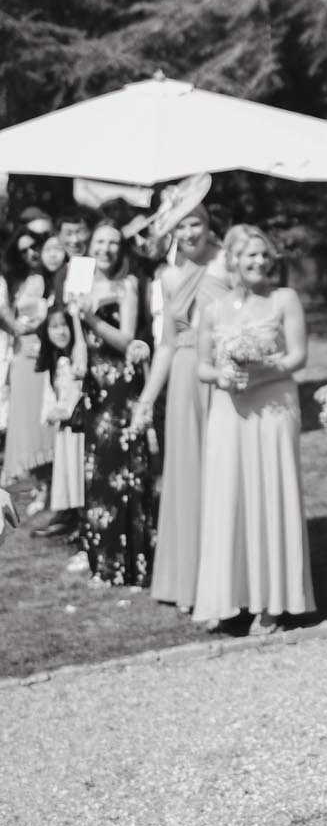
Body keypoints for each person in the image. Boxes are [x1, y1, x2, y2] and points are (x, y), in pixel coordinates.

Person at [192, 225, 315, 631]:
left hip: (274, 407)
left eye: (265, 255)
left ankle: (272, 602)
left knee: (269, 492)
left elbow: (298, 357)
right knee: (228, 496)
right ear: (232, 261)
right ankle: (226, 597)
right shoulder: (213, 309)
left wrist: (260, 373)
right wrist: (223, 378)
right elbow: (202, 365)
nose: (260, 262)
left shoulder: (284, 299)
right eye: (250, 256)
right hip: (229, 411)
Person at [136, 201, 233, 611]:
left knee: (221, 474)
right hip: (181, 379)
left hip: (222, 375)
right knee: (185, 477)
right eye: (183, 225)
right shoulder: (169, 275)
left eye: (198, 223)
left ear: (209, 224)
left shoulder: (227, 263)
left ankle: (224, 578)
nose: (191, 232)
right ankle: (188, 581)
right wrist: (145, 401)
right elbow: (166, 345)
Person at [71, 219, 154, 587]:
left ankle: (126, 563)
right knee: (97, 472)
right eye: (100, 241)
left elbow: (129, 343)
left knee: (122, 470)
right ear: (91, 244)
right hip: (94, 386)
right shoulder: (79, 278)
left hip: (120, 383)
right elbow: (77, 338)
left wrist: (91, 318)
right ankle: (99, 561)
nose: (105, 248)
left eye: (113, 243)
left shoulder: (128, 284)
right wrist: (78, 341)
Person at [0, 228, 53, 504]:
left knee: (43, 421)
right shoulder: (15, 281)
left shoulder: (50, 276)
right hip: (23, 354)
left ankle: (47, 486)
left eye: (34, 246)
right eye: (23, 250)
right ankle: (37, 484)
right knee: (25, 420)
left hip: (44, 350)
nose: (31, 253)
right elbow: (10, 320)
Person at [37, 300, 89, 540]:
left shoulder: (76, 358)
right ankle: (70, 519)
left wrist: (63, 410)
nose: (59, 331)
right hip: (65, 431)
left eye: (63, 325)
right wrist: (51, 412)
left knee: (79, 474)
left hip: (79, 428)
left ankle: (82, 522)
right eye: (53, 327)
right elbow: (52, 395)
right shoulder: (54, 361)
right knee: (68, 474)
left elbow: (76, 390)